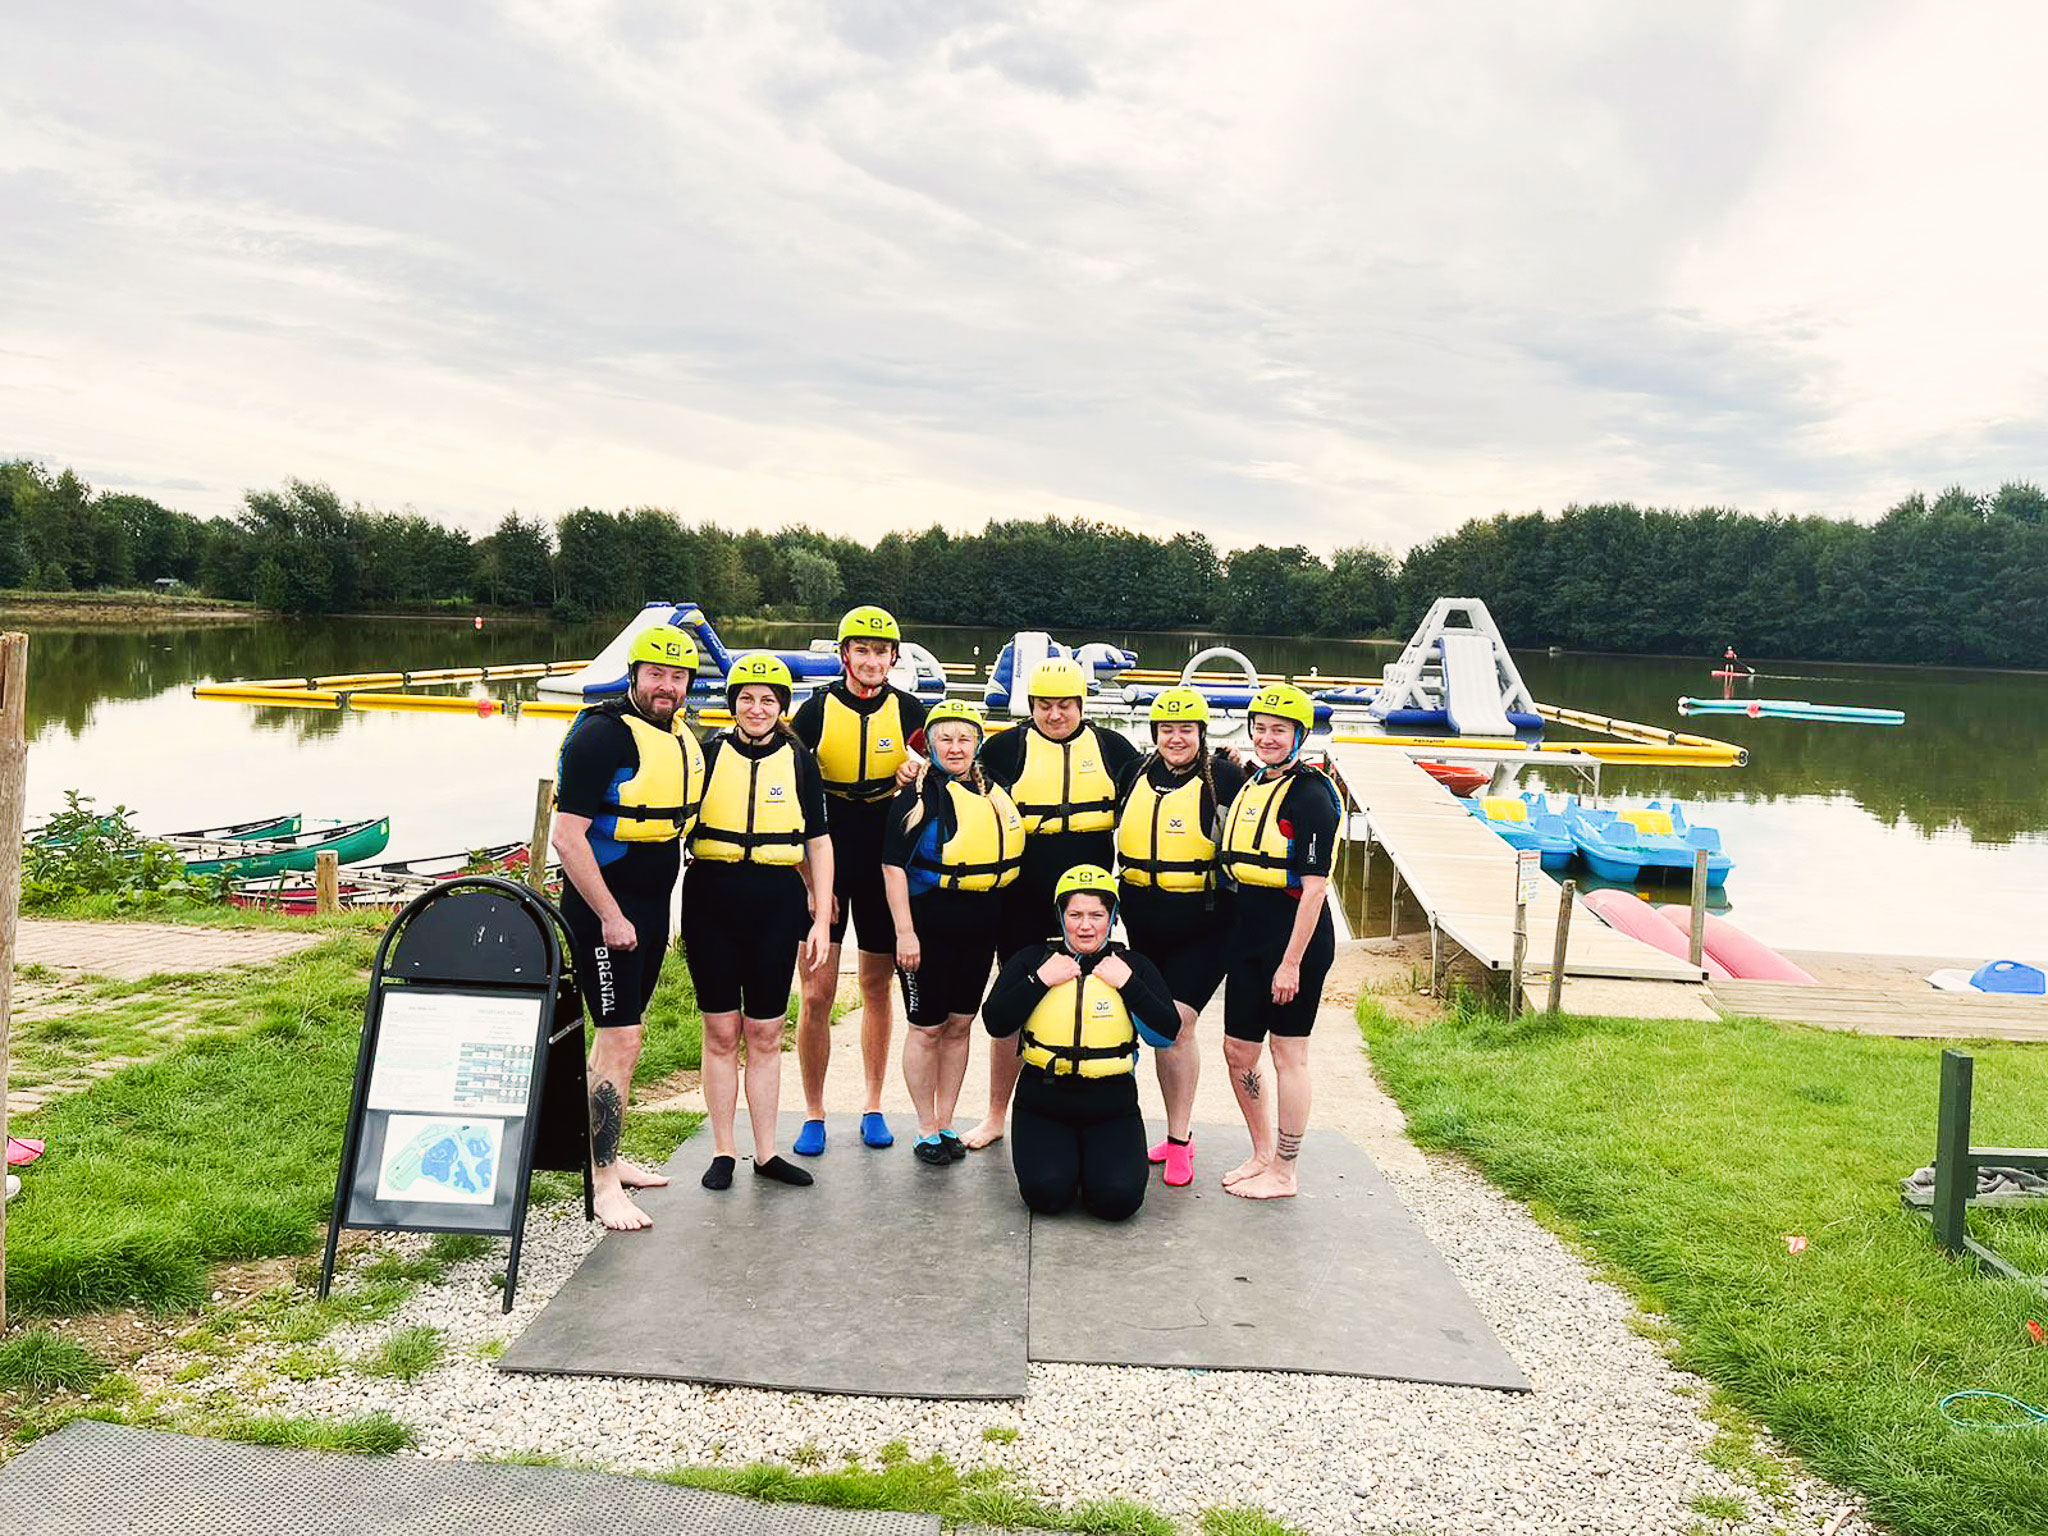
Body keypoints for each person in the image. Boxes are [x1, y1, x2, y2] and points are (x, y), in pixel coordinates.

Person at [550, 624, 705, 1231]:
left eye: (678, 676)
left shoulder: (679, 735)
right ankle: (602, 1184)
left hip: (648, 910)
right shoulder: (600, 735)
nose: (667, 686)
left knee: (617, 1041)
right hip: (604, 914)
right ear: (635, 674)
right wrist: (611, 915)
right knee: (622, 1039)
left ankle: (603, 1156)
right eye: (656, 674)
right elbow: (567, 837)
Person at [961, 657, 1140, 1149]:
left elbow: (1164, 780)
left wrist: (1230, 763)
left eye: (1064, 705)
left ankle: (1099, 1109)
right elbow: (956, 786)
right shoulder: (1005, 749)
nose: (1055, 714)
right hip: (1020, 902)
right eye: (1044, 705)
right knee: (1015, 1004)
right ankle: (996, 1114)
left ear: (1081, 704)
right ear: (1031, 705)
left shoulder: (1112, 748)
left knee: (1094, 1001)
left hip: (1088, 910)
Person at [683, 653, 833, 1191]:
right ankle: (724, 1149)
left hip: (776, 903)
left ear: (782, 708)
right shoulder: (706, 754)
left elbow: (819, 840)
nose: (756, 708)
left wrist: (821, 915)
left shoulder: (799, 761)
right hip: (711, 899)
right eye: (746, 698)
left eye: (768, 700)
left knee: (766, 1032)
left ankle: (767, 1153)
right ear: (732, 704)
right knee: (722, 1030)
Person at [789, 605, 928, 1157]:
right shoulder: (815, 711)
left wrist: (917, 772)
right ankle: (814, 1111)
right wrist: (810, 882)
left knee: (876, 986)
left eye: (881, 651)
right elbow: (789, 799)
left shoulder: (910, 710)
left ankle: (872, 1104)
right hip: (826, 850)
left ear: (893, 657)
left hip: (881, 856)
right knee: (816, 992)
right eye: (862, 650)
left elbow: (942, 779)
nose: (871, 660)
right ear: (845, 654)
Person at [981, 865, 1180, 1220]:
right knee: (1046, 1195)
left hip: (1112, 1104)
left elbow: (1166, 1033)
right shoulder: (1033, 960)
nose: (1085, 926)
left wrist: (1129, 985)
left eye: (1096, 915)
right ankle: (1065, 1163)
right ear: (1061, 917)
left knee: (1118, 1202)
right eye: (1075, 915)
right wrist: (1040, 980)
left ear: (1112, 918)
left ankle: (1093, 1164)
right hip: (1043, 1101)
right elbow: (996, 1022)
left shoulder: (1133, 965)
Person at [880, 699, 1023, 1165]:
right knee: (927, 1028)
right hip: (927, 926)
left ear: (977, 744)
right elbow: (892, 867)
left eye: (965, 738)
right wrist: (904, 933)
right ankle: (925, 1127)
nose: (955, 747)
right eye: (945, 738)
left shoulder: (991, 789)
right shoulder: (915, 796)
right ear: (930, 744)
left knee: (960, 1025)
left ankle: (945, 1122)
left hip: (980, 925)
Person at [1113, 686, 1245, 1188]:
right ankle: (1150, 1132)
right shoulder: (1134, 773)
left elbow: (1265, 805)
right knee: (1151, 1026)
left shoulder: (1225, 777)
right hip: (1144, 922)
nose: (1175, 738)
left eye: (1185, 729)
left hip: (1206, 925)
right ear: (1154, 733)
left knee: (1177, 1025)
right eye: (1166, 729)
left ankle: (1180, 1138)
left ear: (1201, 734)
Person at [1216, 682, 1340, 1200]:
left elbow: (1314, 891)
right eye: (1261, 728)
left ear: (1299, 735)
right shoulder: (1256, 781)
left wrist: (1290, 964)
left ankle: (1285, 1171)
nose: (1267, 738)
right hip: (1249, 933)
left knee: (1288, 1053)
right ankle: (1262, 1153)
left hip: (1296, 941)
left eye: (1279, 730)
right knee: (1238, 1050)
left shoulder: (1311, 796)